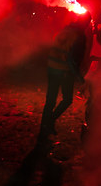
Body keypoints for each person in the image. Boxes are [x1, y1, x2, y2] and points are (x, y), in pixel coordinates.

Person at [38, 11, 92, 141]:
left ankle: (45, 126)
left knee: (50, 99)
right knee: (67, 99)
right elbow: (72, 58)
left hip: (52, 67)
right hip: (64, 70)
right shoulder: (80, 36)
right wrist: (79, 77)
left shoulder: (65, 29)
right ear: (87, 22)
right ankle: (49, 121)